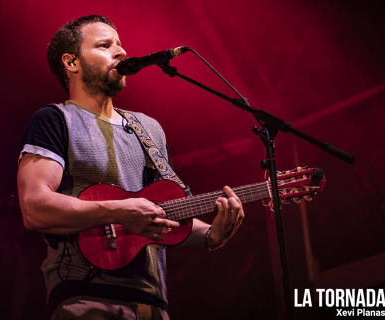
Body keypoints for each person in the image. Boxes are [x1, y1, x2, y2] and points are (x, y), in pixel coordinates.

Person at [17, 15, 244, 320]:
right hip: (87, 300)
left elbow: (166, 212)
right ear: (71, 62)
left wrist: (211, 235)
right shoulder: (55, 120)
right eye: (104, 45)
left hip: (153, 306)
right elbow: (34, 207)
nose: (121, 52)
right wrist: (118, 211)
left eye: (120, 44)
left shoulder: (149, 129)